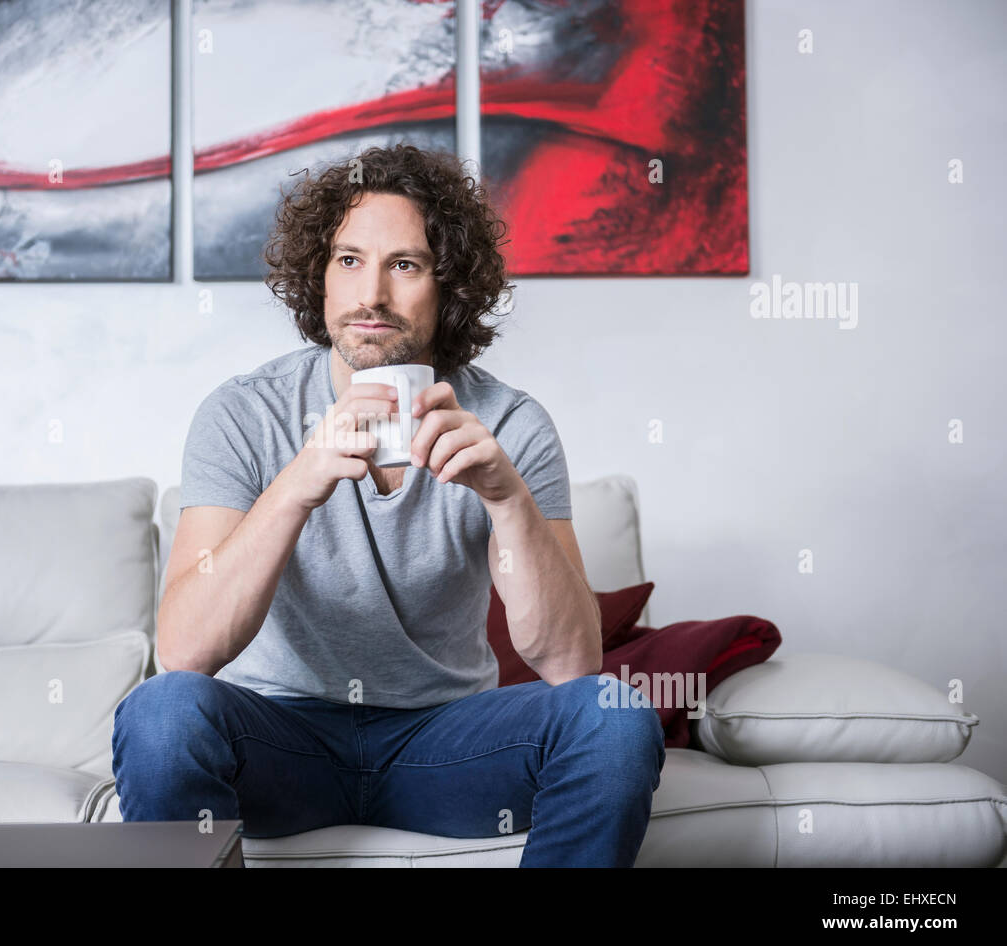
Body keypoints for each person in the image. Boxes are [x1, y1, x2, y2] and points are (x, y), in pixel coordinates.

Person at [112, 143, 665, 866]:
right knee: (159, 714)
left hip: (445, 743)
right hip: (279, 742)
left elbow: (571, 662)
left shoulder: (509, 424)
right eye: (348, 260)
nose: (371, 292)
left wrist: (507, 500)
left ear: (448, 286)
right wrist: (299, 482)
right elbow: (183, 651)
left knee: (615, 717)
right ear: (321, 278)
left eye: (404, 264)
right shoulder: (244, 414)